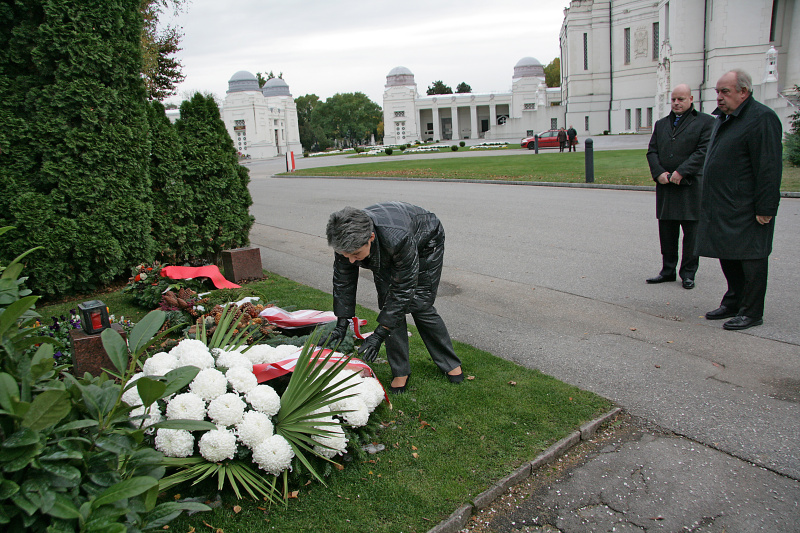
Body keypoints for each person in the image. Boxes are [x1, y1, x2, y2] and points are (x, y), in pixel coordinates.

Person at [324, 202, 464, 393]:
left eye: (356, 254)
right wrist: (342, 321)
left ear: (370, 238)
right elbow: (343, 281)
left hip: (425, 240)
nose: (350, 260)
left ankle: (449, 362)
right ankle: (400, 371)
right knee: (388, 305)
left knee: (421, 305)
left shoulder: (398, 238)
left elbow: (403, 291)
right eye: (345, 255)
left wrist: (379, 335)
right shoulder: (344, 239)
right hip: (386, 246)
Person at [696, 69, 783, 330]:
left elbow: (768, 167)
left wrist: (766, 207)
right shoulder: (725, 118)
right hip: (724, 205)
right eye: (718, 92)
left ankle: (752, 311)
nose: (719, 98)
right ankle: (733, 300)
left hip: (748, 207)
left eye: (725, 92)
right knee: (728, 254)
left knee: (752, 258)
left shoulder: (761, 119)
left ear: (743, 92)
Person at [645, 84, 714, 289]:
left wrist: (682, 172)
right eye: (674, 99)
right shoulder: (661, 124)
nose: (676, 103)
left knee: (692, 234)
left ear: (690, 99)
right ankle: (667, 270)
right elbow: (652, 152)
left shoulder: (706, 122)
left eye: (681, 99)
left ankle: (688, 273)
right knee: (667, 232)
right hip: (666, 187)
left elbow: (703, 151)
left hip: (690, 187)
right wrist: (659, 174)